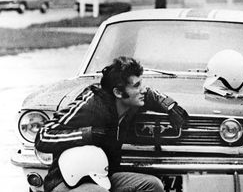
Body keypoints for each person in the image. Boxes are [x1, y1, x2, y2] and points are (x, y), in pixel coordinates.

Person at [35, 56, 189, 192]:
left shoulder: (131, 101)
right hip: (66, 181)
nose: (142, 90)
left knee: (152, 185)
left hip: (104, 177)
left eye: (141, 83)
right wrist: (88, 134)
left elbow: (149, 93)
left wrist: (169, 105)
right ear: (117, 92)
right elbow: (42, 136)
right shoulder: (92, 104)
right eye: (136, 86)